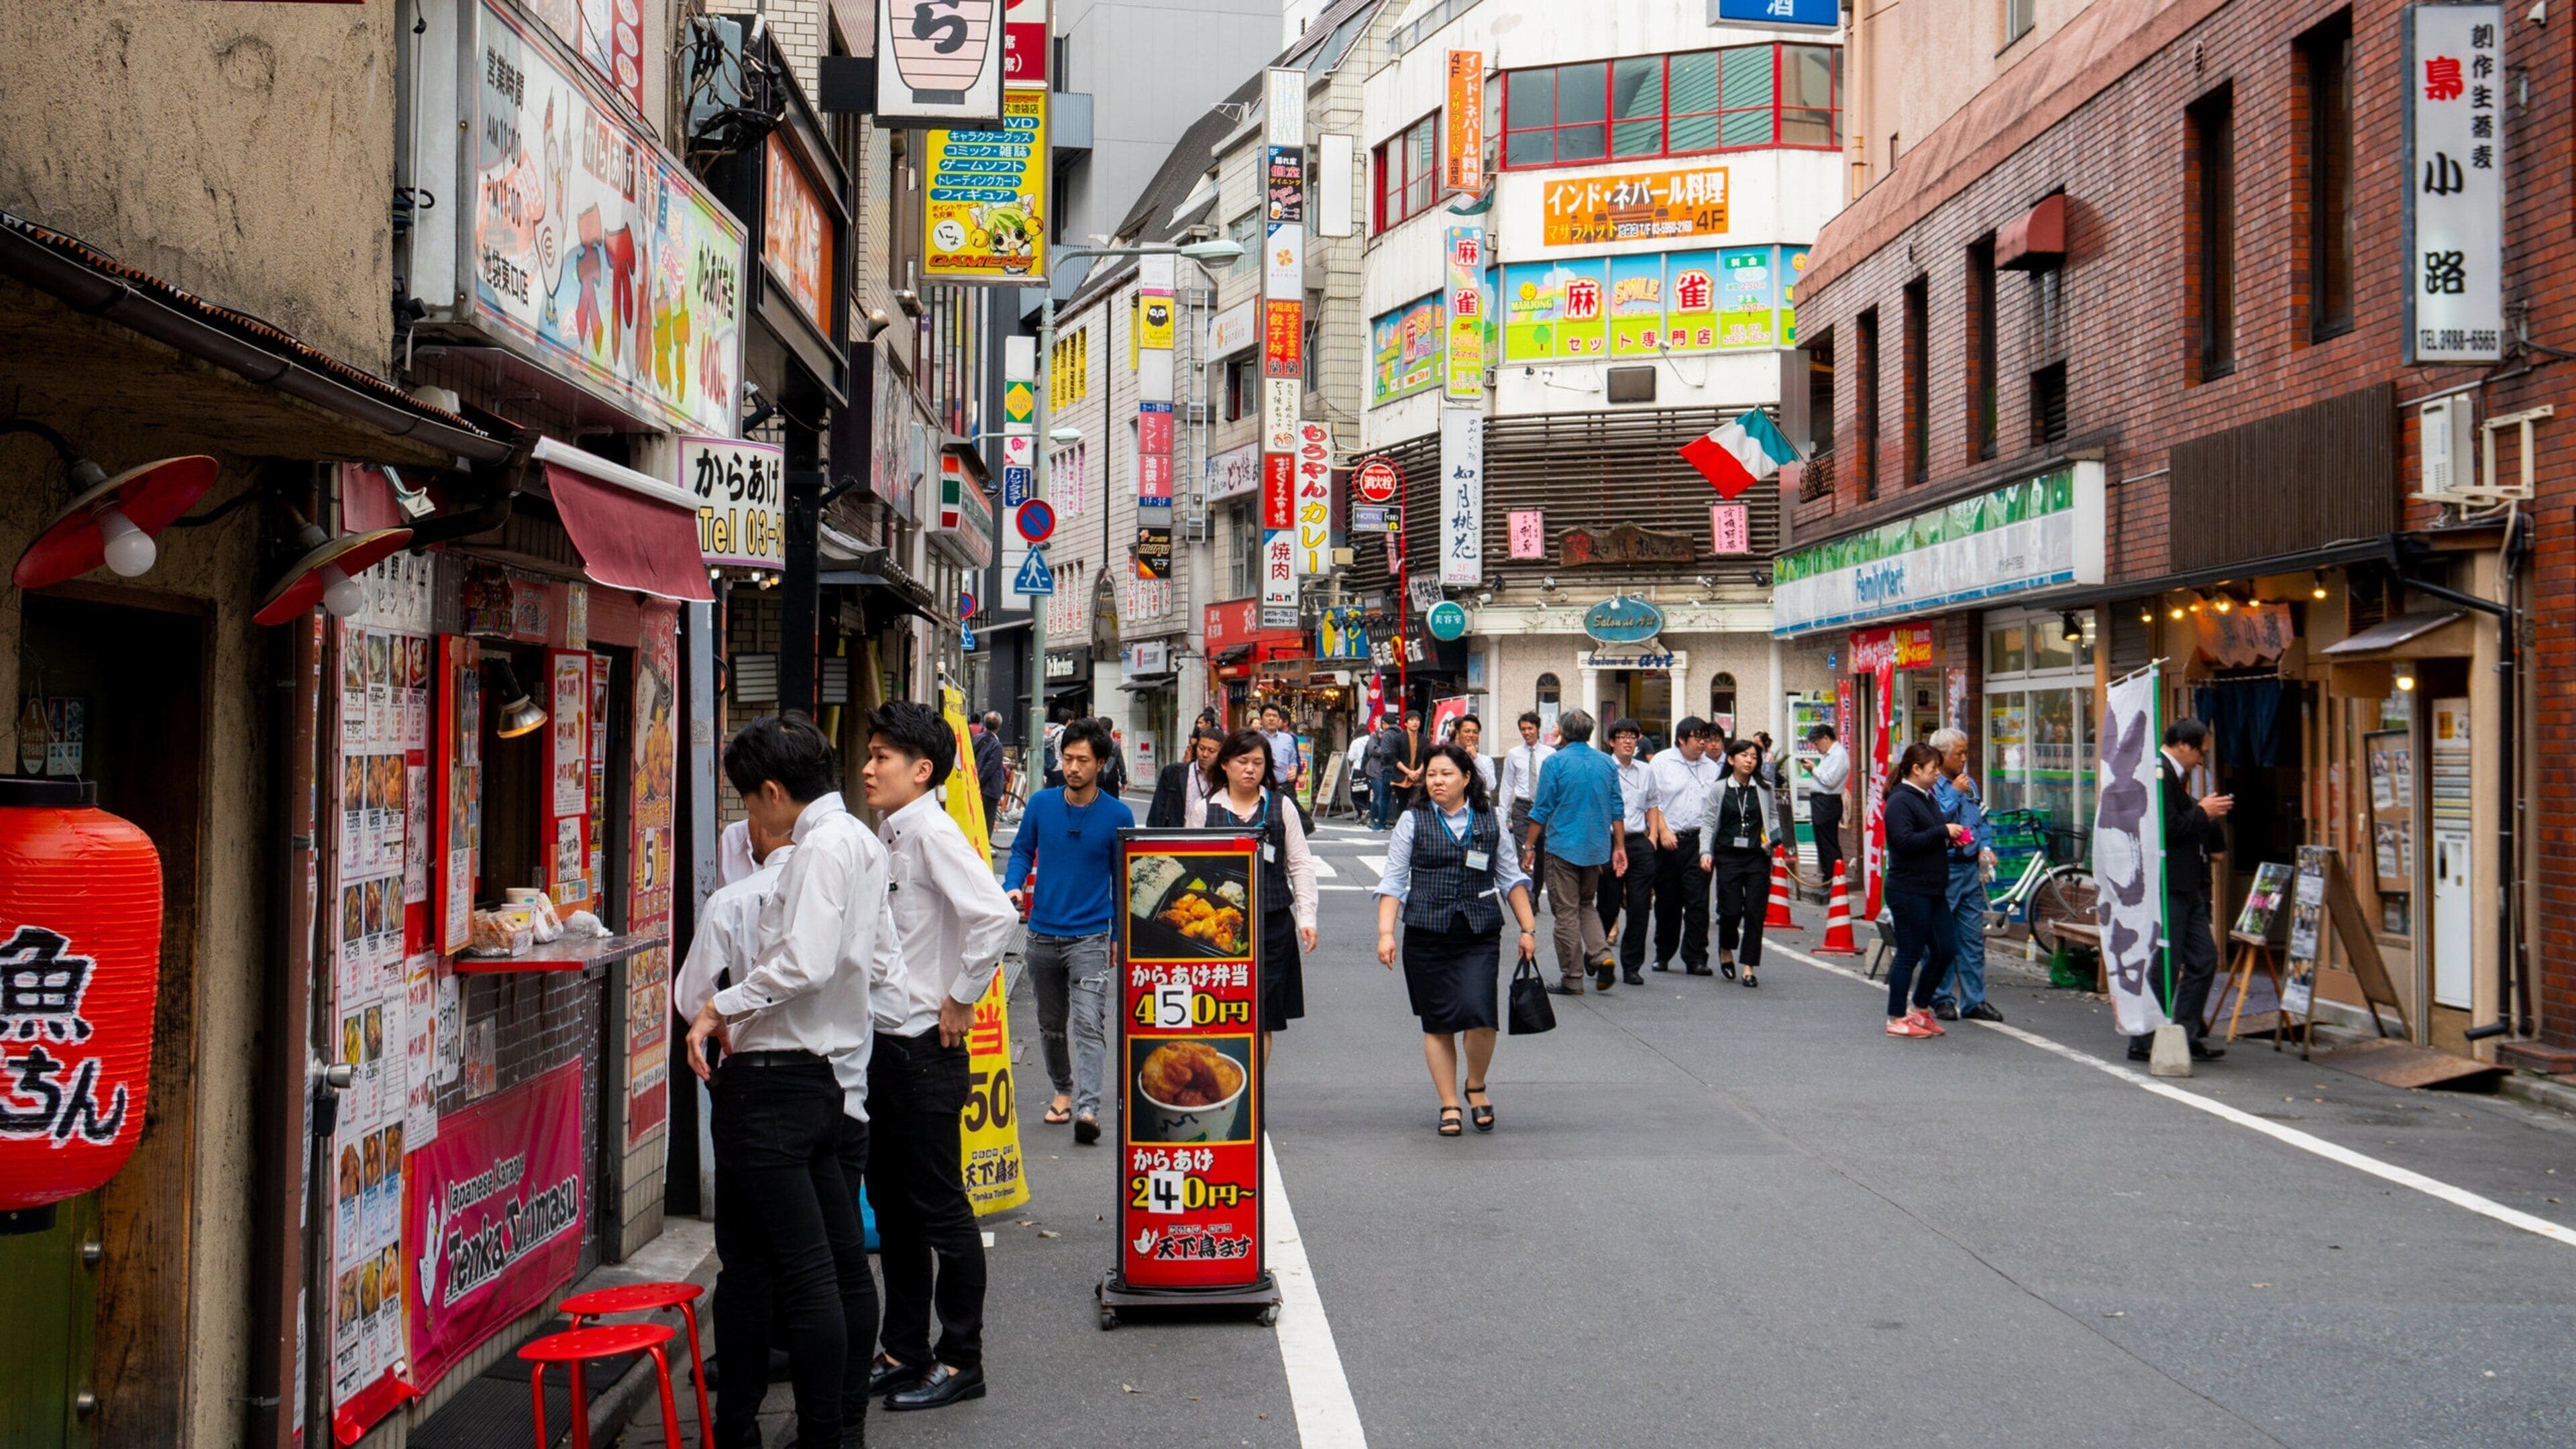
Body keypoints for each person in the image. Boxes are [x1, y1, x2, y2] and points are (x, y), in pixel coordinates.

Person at [682, 714, 892, 1449]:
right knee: (832, 1267)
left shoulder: (820, 849)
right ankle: (837, 1431)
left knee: (800, 1274)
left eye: (747, 801)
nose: (748, 816)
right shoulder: (862, 841)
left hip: (778, 1080)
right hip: (832, 1082)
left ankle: (824, 1434)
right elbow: (883, 963)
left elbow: (804, 962)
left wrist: (719, 1006)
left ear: (773, 791)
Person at [859, 702, 1018, 1411]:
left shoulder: (930, 831)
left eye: (881, 757)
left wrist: (961, 997)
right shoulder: (892, 834)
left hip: (927, 1045)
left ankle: (962, 1359)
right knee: (893, 1207)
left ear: (921, 770)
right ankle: (904, 1348)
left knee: (940, 1209)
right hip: (889, 1045)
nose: (867, 767)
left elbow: (995, 913)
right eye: (868, 754)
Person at [1374, 744, 1540, 1136]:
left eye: (1446, 774)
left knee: (1481, 1014)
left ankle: (1476, 1085)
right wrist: (1386, 933)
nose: (1437, 781)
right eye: (1431, 774)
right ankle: (1449, 1102)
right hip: (1426, 934)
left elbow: (1510, 877)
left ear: (1467, 778)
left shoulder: (1490, 819)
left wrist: (1528, 928)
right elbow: (1394, 881)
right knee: (1438, 1023)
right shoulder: (1412, 822)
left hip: (1478, 932)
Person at [1005, 718, 1134, 1146]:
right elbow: (1022, 850)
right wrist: (1013, 886)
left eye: (1082, 760)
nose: (1073, 767)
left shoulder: (1119, 815)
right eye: (1068, 758)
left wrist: (1117, 935)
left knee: (1089, 1024)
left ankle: (1089, 1108)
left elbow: (1122, 879)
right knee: (1050, 1024)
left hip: (1091, 937)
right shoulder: (1041, 805)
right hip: (1041, 934)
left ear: (1101, 763)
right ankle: (1062, 1089)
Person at [1188, 730, 1320, 1063]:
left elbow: (1300, 864)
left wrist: (1306, 917)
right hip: (1217, 930)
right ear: (1226, 765)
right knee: (1220, 1010)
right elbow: (1190, 865)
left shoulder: (1281, 806)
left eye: (1258, 763)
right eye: (1243, 761)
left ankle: (1252, 1100)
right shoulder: (1205, 810)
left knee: (1261, 1015)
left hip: (1272, 925)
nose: (1250, 769)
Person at [2135, 718, 2232, 1064]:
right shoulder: (2159, 773)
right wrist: (2202, 812)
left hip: (2187, 884)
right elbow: (2166, 827)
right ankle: (2147, 1035)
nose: (2202, 760)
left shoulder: (2174, 776)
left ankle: (2185, 1033)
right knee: (2167, 961)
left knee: (2204, 958)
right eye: (2201, 753)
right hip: (2169, 882)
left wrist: (2201, 812)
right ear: (2185, 746)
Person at [1522, 709, 1623, 996]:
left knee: (1565, 912)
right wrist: (1619, 847)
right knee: (1586, 904)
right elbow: (1617, 808)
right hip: (1596, 846)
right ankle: (1601, 953)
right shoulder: (1607, 763)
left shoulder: (1555, 763)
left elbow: (1541, 809)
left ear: (1563, 733)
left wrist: (1529, 846)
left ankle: (1573, 977)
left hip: (1563, 845)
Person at [1881, 743, 1973, 1038]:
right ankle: (1895, 1017)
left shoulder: (1927, 797)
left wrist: (1949, 838)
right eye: (1933, 770)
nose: (1937, 776)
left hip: (1933, 887)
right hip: (1908, 888)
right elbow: (1904, 842)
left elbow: (1929, 836)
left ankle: (1920, 1009)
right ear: (1916, 769)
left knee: (1946, 949)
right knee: (1909, 952)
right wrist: (1942, 832)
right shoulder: (1900, 800)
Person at [1927, 728, 2003, 1024]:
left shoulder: (1969, 783)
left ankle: (1975, 1000)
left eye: (1965, 753)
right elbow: (1936, 821)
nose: (1964, 759)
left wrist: (1985, 846)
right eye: (1958, 753)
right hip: (1944, 869)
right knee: (1943, 937)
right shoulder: (1932, 785)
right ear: (1941, 755)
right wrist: (1955, 793)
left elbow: (1980, 819)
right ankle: (1942, 998)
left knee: (1972, 939)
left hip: (1970, 869)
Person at [1699, 737, 1779, 987]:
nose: (1749, 760)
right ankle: (1725, 948)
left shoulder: (1764, 789)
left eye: (1754, 757)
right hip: (1728, 856)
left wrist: (1774, 839)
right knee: (1731, 910)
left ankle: (1748, 967)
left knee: (1755, 912)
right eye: (1744, 756)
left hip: (1757, 856)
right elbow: (1709, 821)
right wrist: (1705, 852)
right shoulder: (1720, 788)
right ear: (1732, 759)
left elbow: (1774, 817)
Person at [1646, 717, 1719, 975]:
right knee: (1668, 901)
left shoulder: (1712, 769)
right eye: (1697, 738)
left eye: (1705, 738)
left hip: (1699, 842)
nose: (1703, 743)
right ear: (1681, 739)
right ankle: (1663, 953)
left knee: (1698, 901)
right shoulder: (1662, 763)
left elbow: (1713, 810)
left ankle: (1696, 957)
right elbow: (1652, 801)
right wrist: (1663, 830)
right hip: (1668, 842)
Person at [1595, 718, 1658, 987]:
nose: (1628, 741)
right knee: (1608, 905)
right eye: (1621, 736)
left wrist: (1653, 837)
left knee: (1640, 906)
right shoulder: (1602, 768)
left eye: (1632, 736)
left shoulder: (1646, 771)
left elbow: (1653, 804)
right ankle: (1598, 956)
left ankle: (1632, 966)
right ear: (1611, 742)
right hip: (1608, 842)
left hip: (1638, 841)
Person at [1497, 710, 1555, 843]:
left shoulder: (1550, 754)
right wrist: (1503, 813)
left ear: (1537, 728)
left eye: (1530, 728)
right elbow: (1507, 784)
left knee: (1543, 852)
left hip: (1543, 806)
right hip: (1522, 808)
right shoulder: (1513, 754)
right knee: (1524, 852)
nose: (1527, 733)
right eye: (1523, 729)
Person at [1148, 726, 1221, 828]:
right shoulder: (1173, 773)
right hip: (1176, 839)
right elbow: (1156, 813)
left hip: (1209, 840)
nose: (1205, 754)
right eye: (1201, 748)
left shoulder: (1225, 779)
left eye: (1212, 751)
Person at [1805, 724, 1849, 885]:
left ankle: (1833, 879)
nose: (1816, 748)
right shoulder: (1830, 755)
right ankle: (1828, 877)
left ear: (1826, 738)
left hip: (1828, 802)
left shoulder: (1839, 755)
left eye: (1817, 743)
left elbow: (1830, 781)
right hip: (1821, 802)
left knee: (1828, 843)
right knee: (1822, 843)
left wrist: (1813, 769)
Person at [973, 711, 1006, 828]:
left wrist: (976, 782)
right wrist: (980, 781)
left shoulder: (976, 739)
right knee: (988, 821)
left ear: (985, 724)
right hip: (990, 789)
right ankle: (985, 845)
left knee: (976, 820)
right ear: (999, 726)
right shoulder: (997, 745)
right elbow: (990, 768)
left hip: (975, 785)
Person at [1451, 714, 1498, 793]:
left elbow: (1491, 786)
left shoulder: (1486, 760)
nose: (1471, 735)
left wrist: (1476, 758)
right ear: (1458, 733)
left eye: (1475, 732)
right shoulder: (1449, 757)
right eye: (1467, 731)